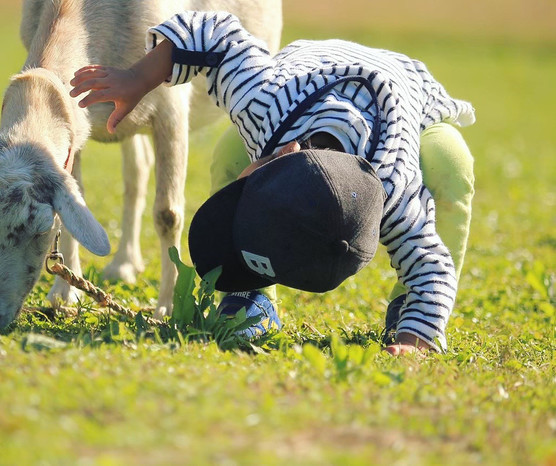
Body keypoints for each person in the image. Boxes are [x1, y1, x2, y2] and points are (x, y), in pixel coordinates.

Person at [69, 11, 476, 355]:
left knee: (449, 164)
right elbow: (212, 30)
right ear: (282, 154)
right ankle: (251, 298)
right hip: (313, 74)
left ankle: (407, 309)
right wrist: (136, 79)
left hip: (406, 104)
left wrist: (415, 341)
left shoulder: (394, 189)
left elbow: (430, 267)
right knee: (231, 153)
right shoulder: (262, 100)